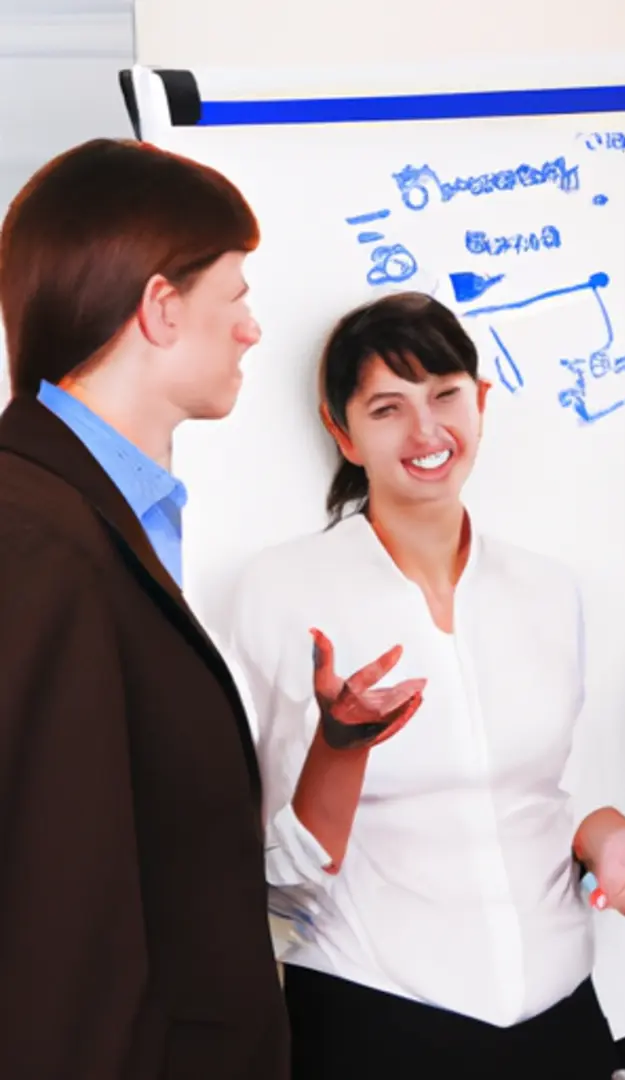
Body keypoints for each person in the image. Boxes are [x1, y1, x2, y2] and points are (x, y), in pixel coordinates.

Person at [226, 291, 625, 1080]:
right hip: (377, 1024)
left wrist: (616, 846)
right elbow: (276, 876)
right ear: (341, 431)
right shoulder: (283, 593)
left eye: (446, 395)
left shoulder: (547, 589)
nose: (426, 432)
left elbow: (565, 797)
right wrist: (339, 746)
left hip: (562, 1021)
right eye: (388, 408)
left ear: (482, 403)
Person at [0, 139, 288, 1078]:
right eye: (235, 297)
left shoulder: (98, 512)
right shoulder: (33, 534)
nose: (251, 330)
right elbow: (55, 916)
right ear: (161, 308)